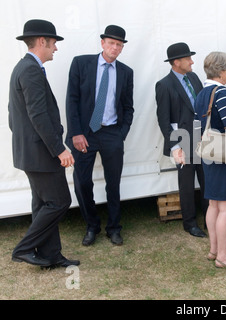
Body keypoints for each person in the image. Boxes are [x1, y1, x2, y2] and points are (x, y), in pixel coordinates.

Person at [9, 19, 79, 268]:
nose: (56, 49)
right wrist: (59, 149)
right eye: (53, 44)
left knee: (42, 204)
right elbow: (37, 115)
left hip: (32, 152)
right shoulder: (29, 69)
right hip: (41, 153)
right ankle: (24, 249)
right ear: (42, 42)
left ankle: (51, 254)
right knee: (59, 202)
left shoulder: (24, 67)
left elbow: (13, 114)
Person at [66, 25, 134, 246]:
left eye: (119, 45)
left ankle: (114, 228)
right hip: (85, 133)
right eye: (111, 43)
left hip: (112, 133)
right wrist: (76, 132)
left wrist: (121, 133)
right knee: (82, 182)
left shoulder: (126, 72)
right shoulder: (81, 63)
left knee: (113, 184)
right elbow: (72, 100)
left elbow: (128, 106)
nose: (115, 48)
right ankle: (92, 226)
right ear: (102, 43)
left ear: (122, 48)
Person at [194, 52, 226, 268]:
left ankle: (214, 249)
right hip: (225, 155)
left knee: (214, 204)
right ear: (221, 71)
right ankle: (223, 257)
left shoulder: (201, 93)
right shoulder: (221, 93)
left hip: (209, 153)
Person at [155, 42, 208, 238]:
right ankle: (190, 223)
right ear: (176, 62)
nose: (192, 61)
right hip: (183, 141)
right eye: (188, 58)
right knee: (186, 184)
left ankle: (210, 220)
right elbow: (164, 120)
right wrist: (176, 147)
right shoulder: (164, 85)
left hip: (201, 138)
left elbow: (202, 106)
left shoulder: (193, 77)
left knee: (206, 181)